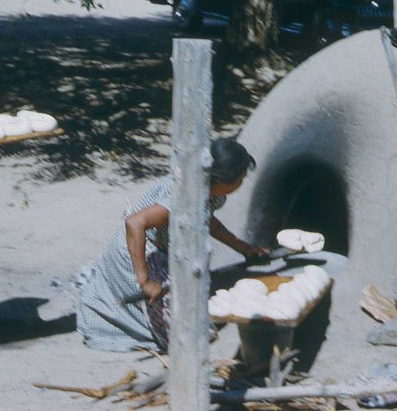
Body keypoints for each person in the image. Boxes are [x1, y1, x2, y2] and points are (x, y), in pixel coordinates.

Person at [77, 138, 266, 352]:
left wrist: (243, 248)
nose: (242, 182)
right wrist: (145, 281)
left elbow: (206, 219)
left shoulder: (212, 192)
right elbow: (134, 223)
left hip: (161, 251)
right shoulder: (183, 197)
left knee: (194, 319)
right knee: (185, 338)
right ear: (222, 180)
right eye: (240, 178)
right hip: (136, 250)